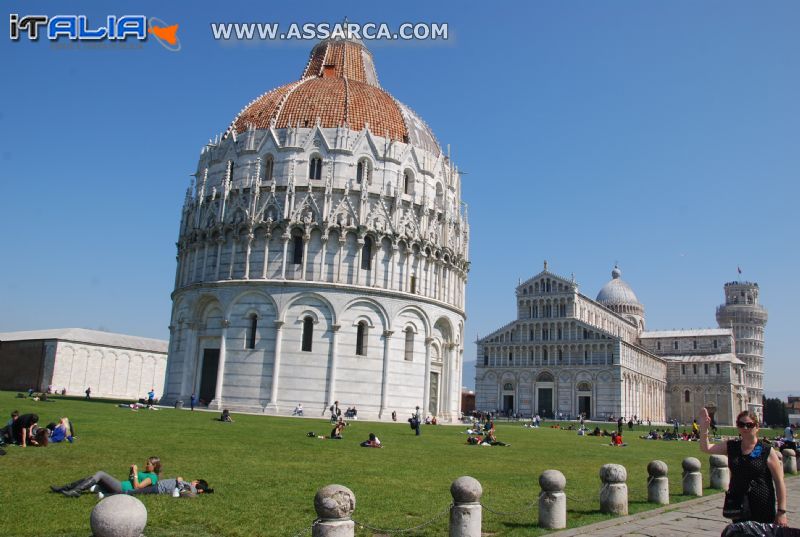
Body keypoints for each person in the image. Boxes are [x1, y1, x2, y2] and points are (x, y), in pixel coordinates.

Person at [700, 407, 788, 526]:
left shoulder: (766, 450)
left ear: (757, 427)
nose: (745, 428)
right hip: (738, 504)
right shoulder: (732, 446)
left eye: (749, 425)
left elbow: (779, 481)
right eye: (741, 424)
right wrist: (704, 429)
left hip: (762, 505)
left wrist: (782, 511)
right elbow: (706, 448)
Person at [52, 457, 162, 497]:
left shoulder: (152, 477)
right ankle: (64, 488)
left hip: (122, 489)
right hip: (121, 485)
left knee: (100, 474)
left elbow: (137, 487)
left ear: (155, 466)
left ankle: (76, 491)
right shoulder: (146, 472)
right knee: (91, 477)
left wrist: (136, 472)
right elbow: (131, 480)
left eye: (149, 464)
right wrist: (131, 472)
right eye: (147, 463)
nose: (146, 465)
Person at [124, 477, 213, 497]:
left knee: (133, 491)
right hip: (158, 486)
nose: (192, 481)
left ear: (196, 483)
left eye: (195, 480)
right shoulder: (193, 490)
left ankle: (116, 493)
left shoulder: (191, 487)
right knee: (137, 489)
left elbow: (182, 490)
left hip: (159, 488)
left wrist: (179, 480)